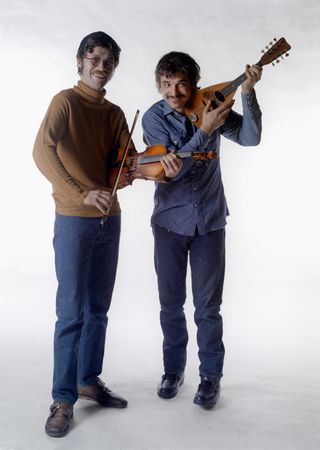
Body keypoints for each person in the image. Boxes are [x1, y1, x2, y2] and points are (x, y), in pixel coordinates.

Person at [33, 30, 181, 438]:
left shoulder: (115, 113)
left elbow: (127, 164)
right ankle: (62, 398)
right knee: (71, 313)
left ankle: (87, 380)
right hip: (73, 219)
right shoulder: (65, 102)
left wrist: (154, 166)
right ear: (80, 61)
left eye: (108, 61)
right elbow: (41, 152)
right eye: (94, 59)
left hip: (108, 219)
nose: (101, 67)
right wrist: (83, 191)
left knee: (98, 308)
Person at [142, 51, 262, 408]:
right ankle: (173, 370)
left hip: (210, 222)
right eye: (166, 84)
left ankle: (210, 377)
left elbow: (250, 138)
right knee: (170, 304)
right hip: (169, 224)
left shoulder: (210, 104)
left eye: (180, 83)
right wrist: (205, 129)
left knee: (208, 307)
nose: (173, 92)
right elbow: (171, 169)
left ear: (193, 84)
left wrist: (248, 93)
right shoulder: (154, 118)